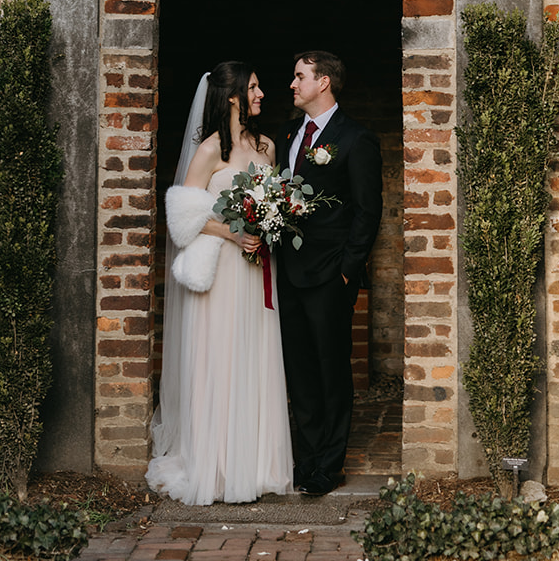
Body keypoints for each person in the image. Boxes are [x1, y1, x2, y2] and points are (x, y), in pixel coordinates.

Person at [146, 62, 293, 505]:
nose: (262, 93)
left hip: (256, 271)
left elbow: (276, 202)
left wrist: (270, 222)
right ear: (232, 97)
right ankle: (218, 466)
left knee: (256, 356)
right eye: (254, 87)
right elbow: (184, 218)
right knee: (221, 357)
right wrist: (232, 231)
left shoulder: (266, 146)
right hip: (222, 274)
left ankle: (258, 464)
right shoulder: (210, 150)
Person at [276, 50, 383, 496]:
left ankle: (331, 465)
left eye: (299, 76)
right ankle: (308, 458)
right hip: (288, 271)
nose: (292, 84)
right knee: (299, 372)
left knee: (332, 370)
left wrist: (346, 271)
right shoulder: (289, 135)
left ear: (324, 83)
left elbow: (367, 211)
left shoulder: (355, 138)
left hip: (329, 278)